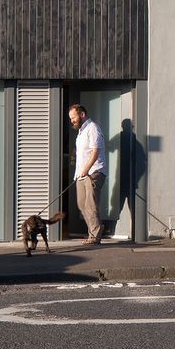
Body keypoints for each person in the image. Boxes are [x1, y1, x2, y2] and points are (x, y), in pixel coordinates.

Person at [69, 104, 106, 244]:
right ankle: (95, 229)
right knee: (81, 205)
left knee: (91, 204)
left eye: (73, 117)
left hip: (93, 172)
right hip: (81, 175)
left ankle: (95, 235)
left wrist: (86, 169)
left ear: (82, 114)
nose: (72, 120)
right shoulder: (81, 132)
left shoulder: (93, 128)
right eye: (71, 118)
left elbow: (96, 151)